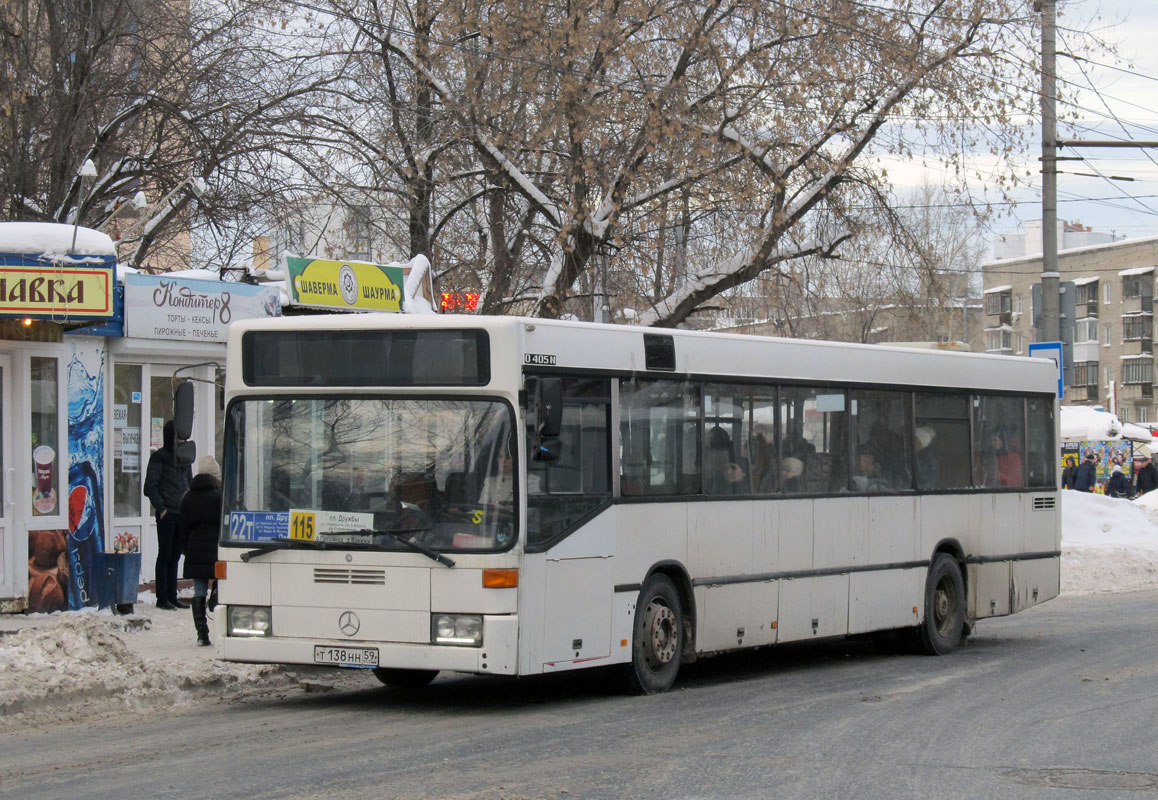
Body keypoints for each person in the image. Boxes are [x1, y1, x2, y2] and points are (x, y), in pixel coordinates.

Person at [144, 421, 192, 610]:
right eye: (179, 436)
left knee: (175, 556)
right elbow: (150, 486)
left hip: (181, 513)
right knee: (164, 554)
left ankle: (172, 596)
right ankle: (162, 597)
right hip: (167, 513)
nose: (182, 440)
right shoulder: (159, 458)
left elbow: (189, 482)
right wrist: (162, 508)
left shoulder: (185, 457)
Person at [177, 456, 222, 646]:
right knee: (222, 583)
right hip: (217, 550)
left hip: (195, 549)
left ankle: (202, 634)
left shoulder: (188, 497)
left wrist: (185, 548)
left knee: (199, 590)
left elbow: (183, 527)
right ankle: (216, 600)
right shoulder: (221, 496)